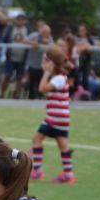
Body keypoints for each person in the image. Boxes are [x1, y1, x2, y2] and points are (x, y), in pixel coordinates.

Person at [29, 45, 74, 184]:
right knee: (60, 145)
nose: (42, 64)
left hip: (55, 119)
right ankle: (67, 174)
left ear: (51, 63)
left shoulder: (58, 78)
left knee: (38, 140)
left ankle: (38, 171)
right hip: (58, 118)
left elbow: (42, 88)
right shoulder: (60, 77)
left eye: (45, 61)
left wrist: (46, 73)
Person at [24, 21, 52, 99]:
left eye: (48, 33)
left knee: (41, 82)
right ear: (41, 31)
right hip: (32, 64)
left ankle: (41, 97)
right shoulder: (34, 35)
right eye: (45, 32)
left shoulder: (50, 38)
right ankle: (31, 97)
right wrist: (32, 43)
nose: (47, 34)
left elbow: (53, 47)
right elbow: (24, 40)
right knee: (31, 83)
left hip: (43, 65)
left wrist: (48, 43)